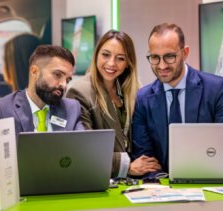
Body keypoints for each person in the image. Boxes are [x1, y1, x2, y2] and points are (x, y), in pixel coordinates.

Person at [132, 23, 223, 174]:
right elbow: (146, 159)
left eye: (169, 56)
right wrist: (164, 188)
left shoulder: (217, 89)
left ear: (185, 53)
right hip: (160, 187)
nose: (162, 66)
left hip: (210, 179)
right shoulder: (142, 99)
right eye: (155, 57)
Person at [0, 45, 85, 186]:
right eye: (57, 75)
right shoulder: (2, 109)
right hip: (16, 193)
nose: (63, 85)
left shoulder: (72, 108)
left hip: (60, 192)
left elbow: (83, 155)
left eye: (67, 79)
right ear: (34, 71)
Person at [66, 30, 160, 178]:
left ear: (128, 63)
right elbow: (84, 148)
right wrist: (127, 166)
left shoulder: (135, 90)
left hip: (135, 180)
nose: (111, 63)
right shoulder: (79, 92)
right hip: (100, 179)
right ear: (96, 54)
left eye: (120, 58)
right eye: (105, 55)